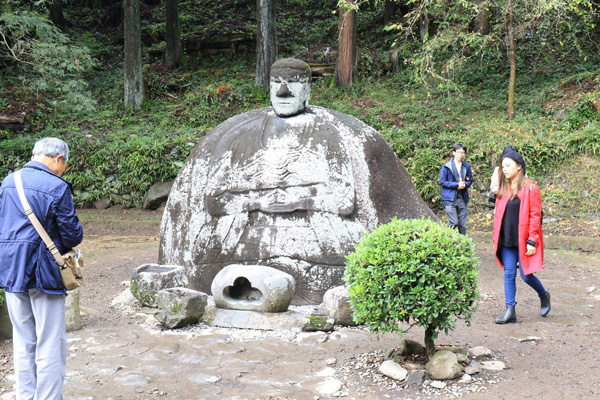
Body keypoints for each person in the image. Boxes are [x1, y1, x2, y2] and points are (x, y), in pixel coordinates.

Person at [0, 137, 83, 399]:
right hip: (44, 271)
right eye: (65, 164)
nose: (64, 169)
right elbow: (72, 236)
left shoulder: (8, 181)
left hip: (10, 268)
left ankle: (26, 396)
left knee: (23, 341)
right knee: (49, 342)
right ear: (58, 159)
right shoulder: (57, 187)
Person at [492, 150, 551, 324]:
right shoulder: (503, 189)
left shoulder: (531, 188)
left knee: (526, 276)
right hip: (507, 240)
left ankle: (544, 295)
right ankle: (510, 310)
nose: (505, 169)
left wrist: (532, 240)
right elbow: (498, 216)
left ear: (519, 167)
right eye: (503, 166)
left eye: (508, 165)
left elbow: (535, 216)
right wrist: (496, 238)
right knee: (509, 275)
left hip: (524, 240)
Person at [439, 144, 473, 235]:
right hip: (449, 198)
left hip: (462, 197)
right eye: (458, 152)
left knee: (462, 224)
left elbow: (470, 180)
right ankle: (443, 236)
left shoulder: (466, 166)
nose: (461, 155)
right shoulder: (446, 166)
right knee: (454, 222)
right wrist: (456, 184)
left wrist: (465, 184)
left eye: (463, 153)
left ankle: (463, 243)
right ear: (454, 153)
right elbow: (442, 181)